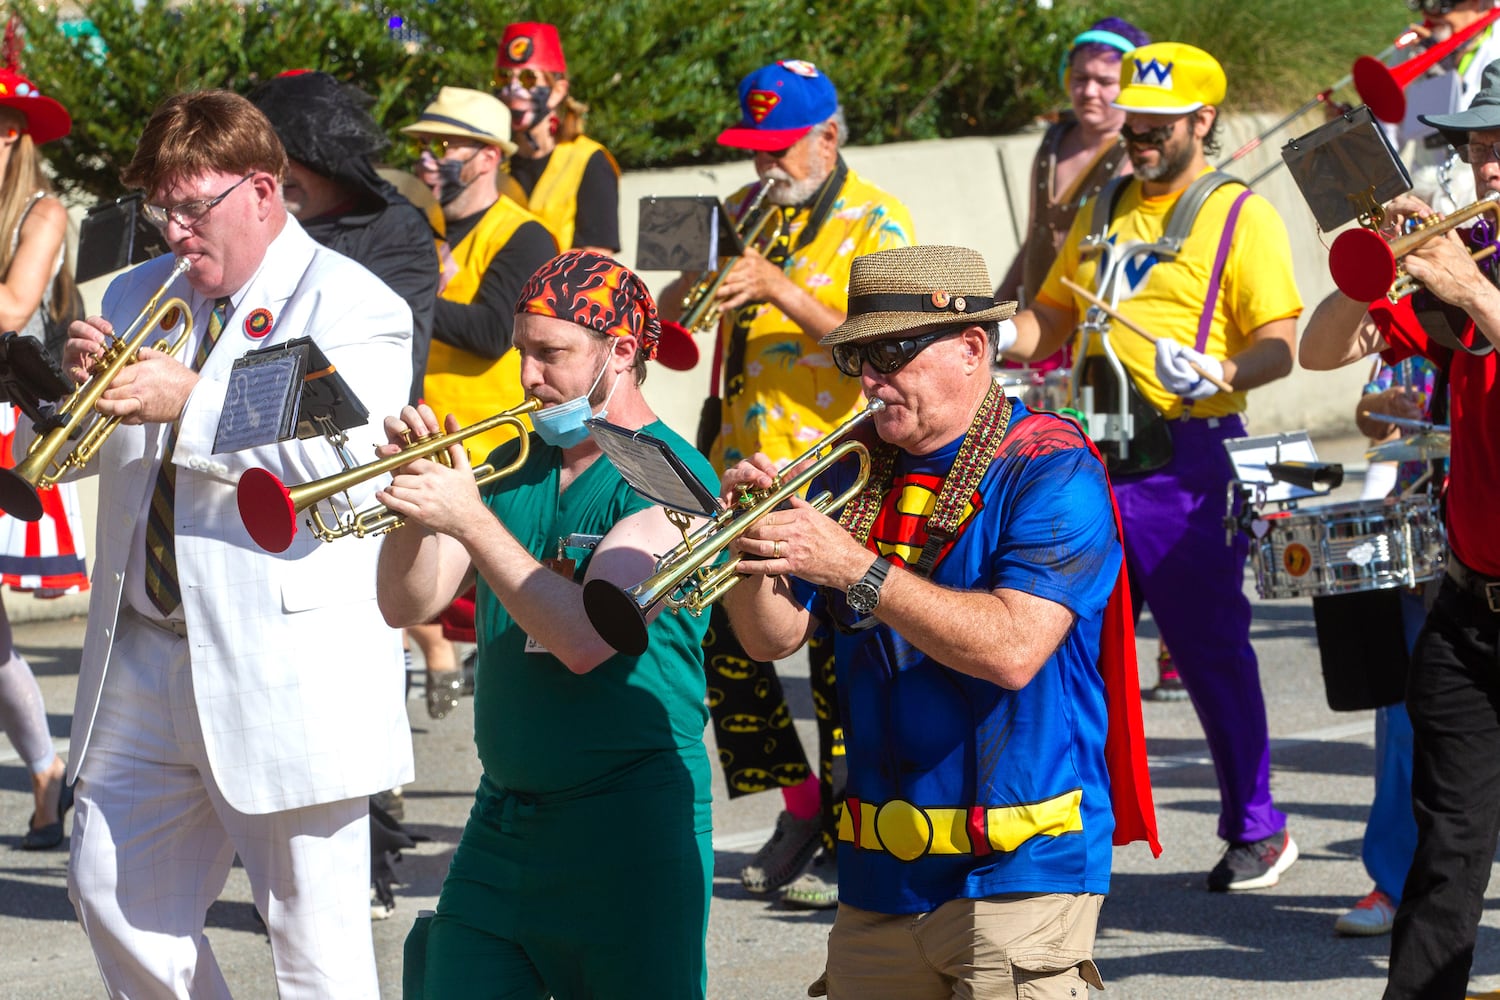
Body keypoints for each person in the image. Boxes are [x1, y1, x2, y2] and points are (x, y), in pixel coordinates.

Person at [717, 244, 1157, 998]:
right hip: (878, 878)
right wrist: (748, 550)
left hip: (1021, 874)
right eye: (859, 357)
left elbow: (1014, 648)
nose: (870, 380)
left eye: (891, 352)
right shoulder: (854, 465)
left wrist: (852, 567)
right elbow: (770, 638)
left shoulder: (1053, 466)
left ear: (971, 347)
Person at [52, 90, 413, 998]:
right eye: (159, 209)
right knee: (108, 888)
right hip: (142, 647)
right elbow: (95, 464)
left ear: (263, 190)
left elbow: (346, 458)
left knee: (314, 947)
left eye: (190, 207)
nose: (172, 231)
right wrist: (80, 395)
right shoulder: (140, 293)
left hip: (284, 657)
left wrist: (192, 397)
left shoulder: (351, 302)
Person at [1004, 41, 1304, 892]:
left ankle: (1259, 827)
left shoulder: (1240, 215)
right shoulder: (1103, 197)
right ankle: (1076, 829)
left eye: (1155, 125)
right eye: (1132, 120)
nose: (1136, 135)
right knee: (1073, 648)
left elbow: (1278, 344)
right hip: (1091, 456)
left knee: (1209, 648)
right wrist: (992, 335)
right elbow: (1051, 320)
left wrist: (1225, 372)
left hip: (1188, 457)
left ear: (1202, 123)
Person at [376, 250, 716, 997]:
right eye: (522, 352)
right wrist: (413, 507)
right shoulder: (517, 461)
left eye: (551, 353)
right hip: (504, 822)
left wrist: (468, 518)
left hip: (628, 829)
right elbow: (408, 604)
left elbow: (587, 638)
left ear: (621, 352)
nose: (528, 376)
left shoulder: (675, 478)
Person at [658, 58, 916, 909]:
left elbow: (885, 341)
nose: (765, 168)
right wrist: (689, 286)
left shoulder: (879, 218)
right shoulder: (740, 212)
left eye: (781, 150)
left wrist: (777, 287)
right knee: (728, 645)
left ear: (828, 137)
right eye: (755, 150)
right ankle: (800, 807)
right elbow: (671, 319)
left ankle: (852, 820)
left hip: (837, 466)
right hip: (742, 460)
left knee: (841, 654)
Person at [1299, 56, 1500, 998]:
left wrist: (1470, 291)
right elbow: (1323, 348)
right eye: (1479, 150)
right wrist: (1371, 264)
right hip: (1471, 606)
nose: (1488, 168)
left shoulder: (1477, 280)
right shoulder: (1480, 258)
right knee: (1445, 856)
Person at [400, 86, 557, 718]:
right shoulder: (420, 228)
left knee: (507, 639)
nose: (429, 158)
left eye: (445, 145)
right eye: (423, 146)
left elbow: (493, 332)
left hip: (494, 461)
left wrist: (396, 295)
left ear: (490, 156)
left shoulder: (523, 235)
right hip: (427, 449)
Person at [0, 63, 85, 851]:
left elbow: (14, 306)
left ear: (14, 132)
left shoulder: (45, 209)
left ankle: (47, 771)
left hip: (7, 422)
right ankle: (45, 771)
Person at [248, 69, 439, 406]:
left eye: (289, 156)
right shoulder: (256, 224)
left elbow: (370, 369)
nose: (275, 174)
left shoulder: (397, 231)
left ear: (326, 157)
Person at [996, 17, 1148, 310]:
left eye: (1105, 82)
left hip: (1095, 319)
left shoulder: (1138, 154)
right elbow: (1034, 237)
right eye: (1080, 78)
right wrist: (999, 308)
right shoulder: (1053, 141)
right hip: (1035, 322)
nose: (1089, 91)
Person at [494, 21, 620, 256]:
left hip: (561, 291)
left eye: (528, 79)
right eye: (504, 78)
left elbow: (598, 260)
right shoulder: (495, 161)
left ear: (557, 92)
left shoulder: (589, 160)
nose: (513, 89)